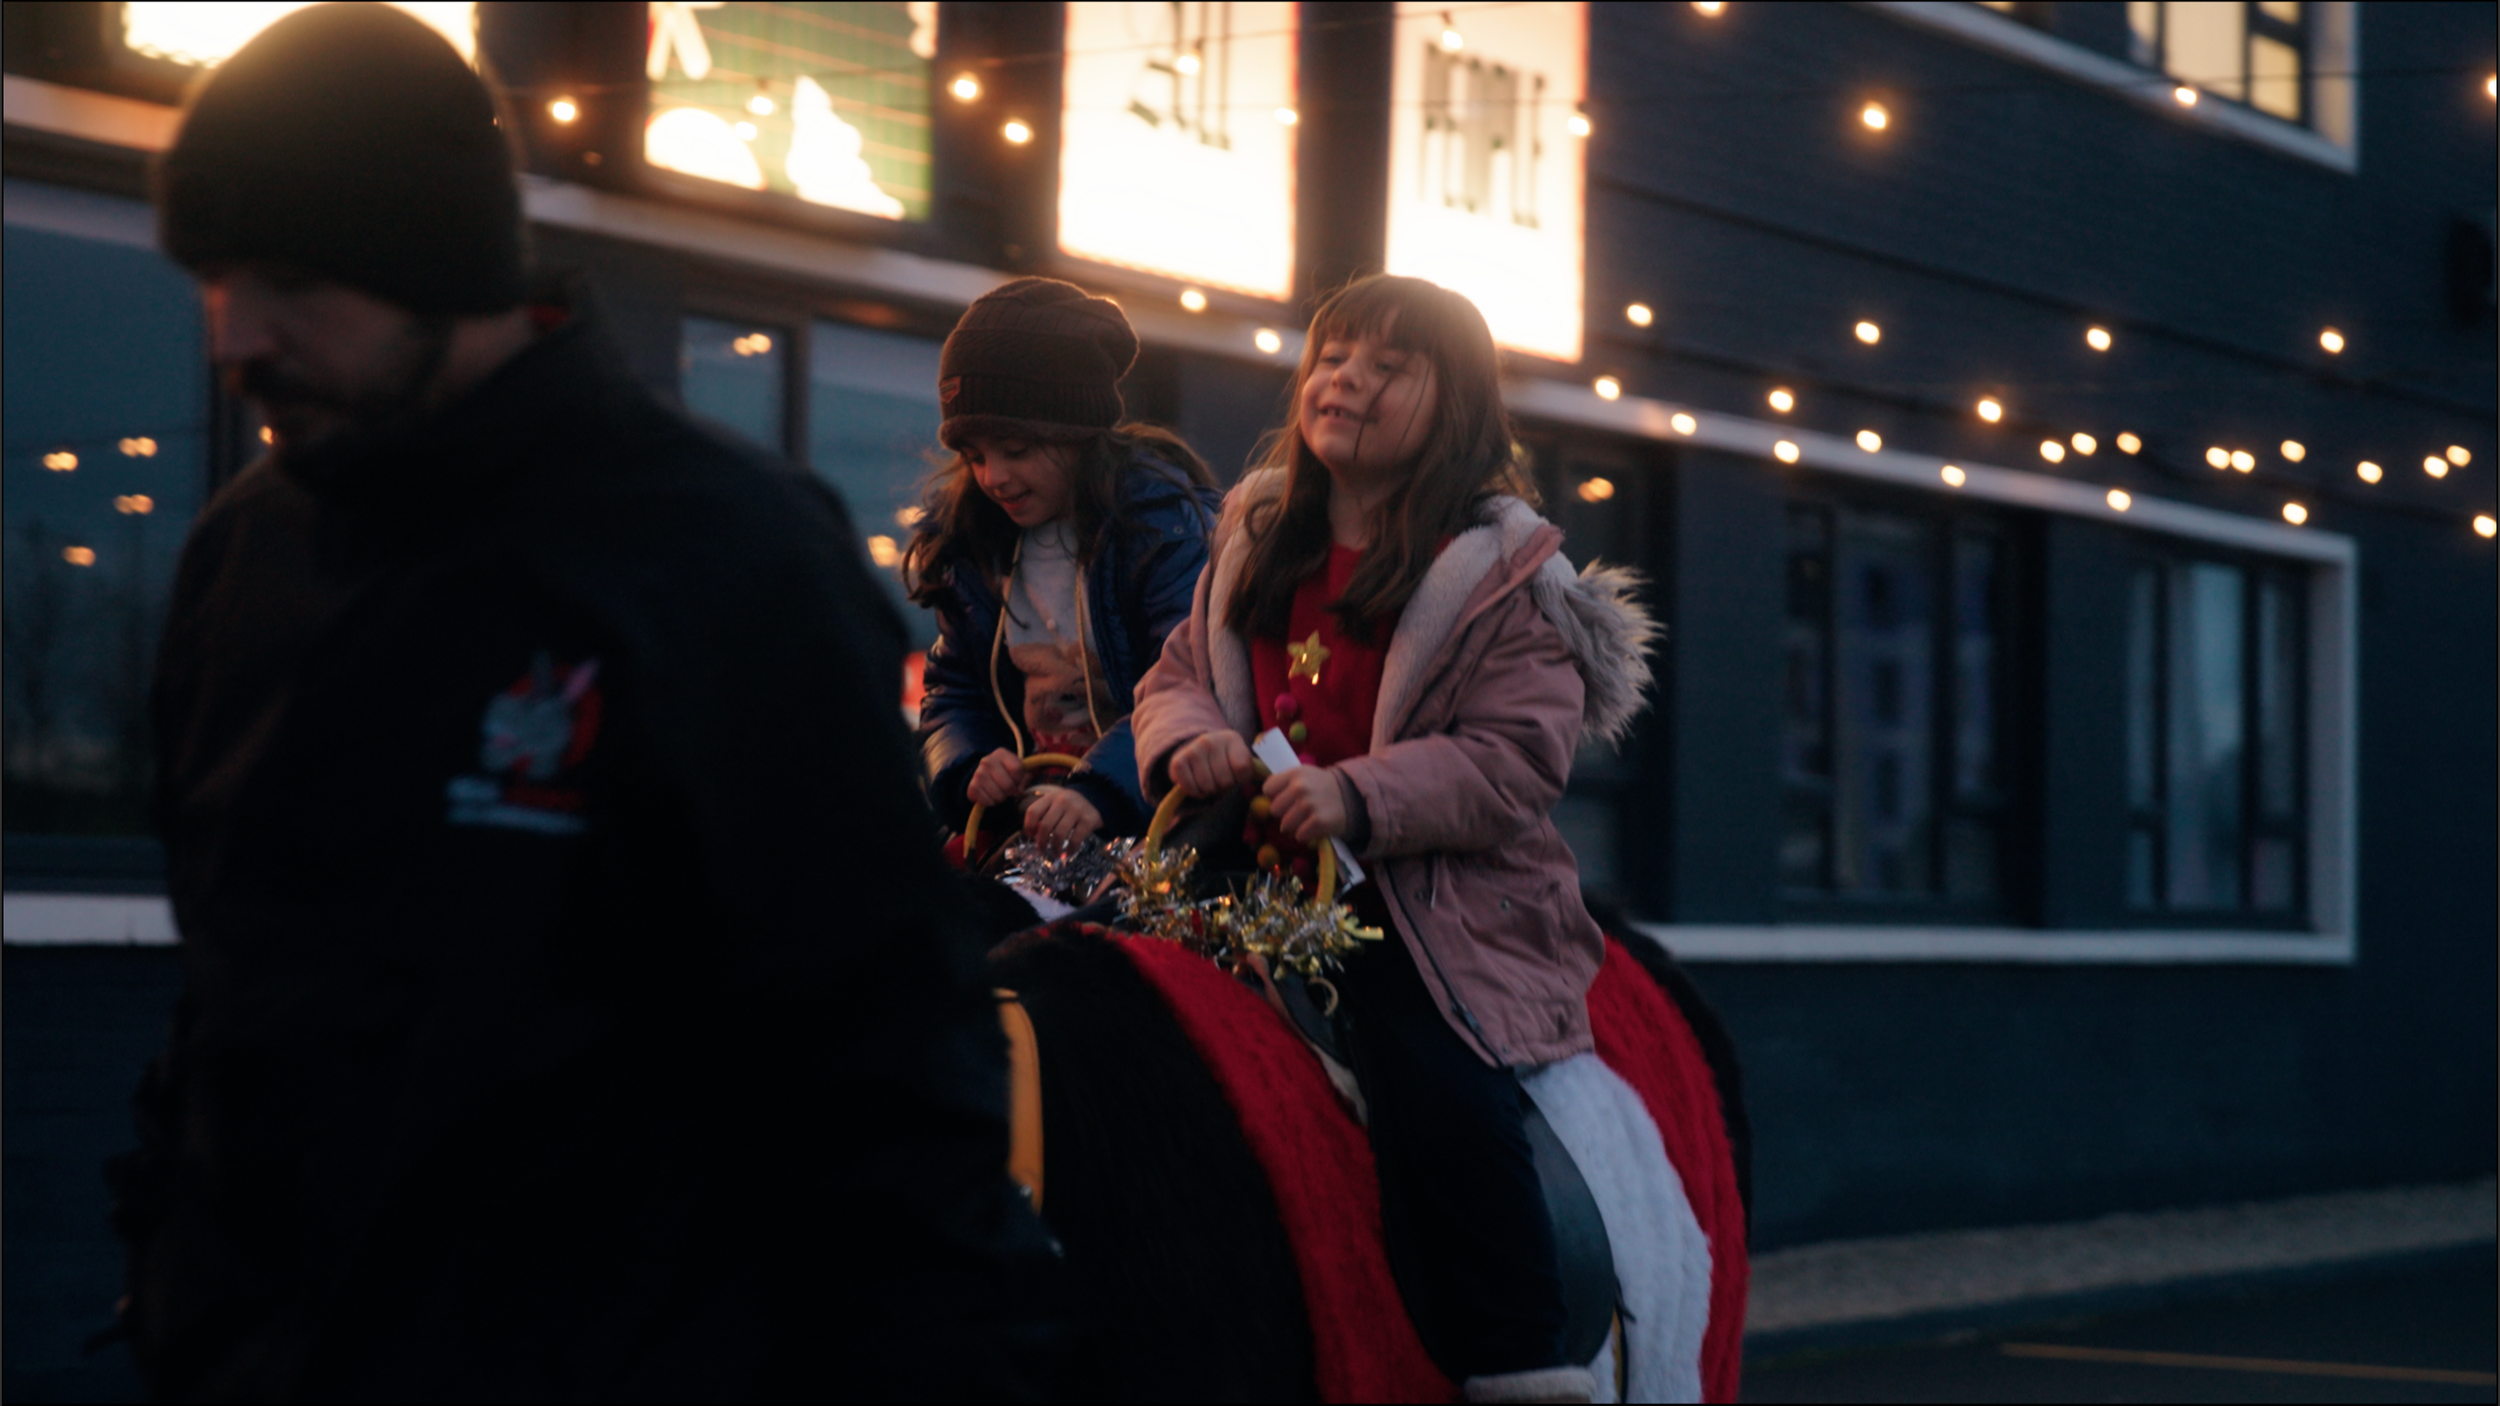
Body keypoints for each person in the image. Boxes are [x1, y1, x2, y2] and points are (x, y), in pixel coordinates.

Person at [116, 6, 1055, 1398]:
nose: (235, 334)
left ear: (437, 262)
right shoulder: (248, 554)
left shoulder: (726, 560)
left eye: (288, 279)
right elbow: (229, 996)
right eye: (210, 278)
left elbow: (890, 1076)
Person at [1129, 275, 1655, 1403]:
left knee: (1438, 1091)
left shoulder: (1508, 575)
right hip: (1240, 891)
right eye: (1332, 355)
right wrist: (1192, 744)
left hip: (1425, 916)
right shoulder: (1258, 538)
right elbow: (1174, 678)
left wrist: (1356, 796)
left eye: (1386, 364)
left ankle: (1523, 1361)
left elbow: (1515, 759)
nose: (1346, 380)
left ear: (1454, 400)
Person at [905, 278, 1222, 848]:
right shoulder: (971, 539)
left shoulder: (1161, 529)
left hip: (1147, 831)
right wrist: (965, 768)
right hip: (1020, 827)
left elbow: (1189, 681)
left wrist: (1102, 791)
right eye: (973, 456)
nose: (992, 476)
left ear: (1078, 433)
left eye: (1016, 450)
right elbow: (953, 686)